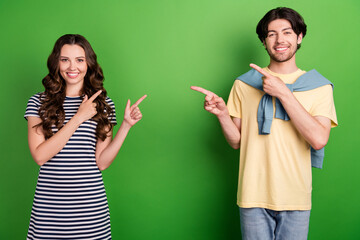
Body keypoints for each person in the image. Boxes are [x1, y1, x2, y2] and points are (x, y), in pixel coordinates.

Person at [191, 7, 337, 240]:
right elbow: (237, 141)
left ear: (299, 37)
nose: (280, 40)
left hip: (295, 198)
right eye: (271, 34)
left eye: (287, 32)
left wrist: (284, 94)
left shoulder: (319, 87)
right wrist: (221, 115)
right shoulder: (244, 85)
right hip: (252, 196)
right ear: (264, 41)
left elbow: (319, 140)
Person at [24, 34, 146, 239]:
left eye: (80, 60)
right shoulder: (38, 102)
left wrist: (125, 126)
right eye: (65, 60)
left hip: (90, 211)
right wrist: (78, 117)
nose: (73, 67)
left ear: (88, 63)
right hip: (49, 212)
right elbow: (40, 156)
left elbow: (102, 162)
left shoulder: (103, 105)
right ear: (56, 63)